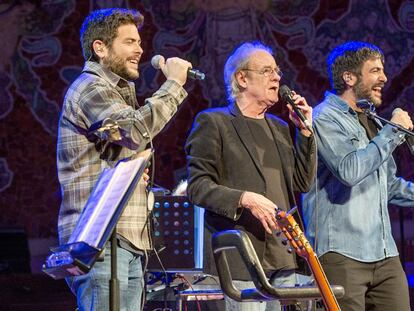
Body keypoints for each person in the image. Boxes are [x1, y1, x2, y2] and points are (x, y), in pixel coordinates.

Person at [57, 8, 192, 310]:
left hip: (128, 240)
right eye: (129, 42)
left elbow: (122, 145)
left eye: (140, 42)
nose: (140, 49)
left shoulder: (117, 94)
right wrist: (173, 85)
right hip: (102, 243)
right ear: (100, 48)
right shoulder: (89, 87)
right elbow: (134, 129)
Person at [185, 41, 316, 311]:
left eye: (277, 71)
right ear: (241, 78)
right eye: (267, 70)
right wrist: (244, 198)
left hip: (283, 256)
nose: (277, 77)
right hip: (240, 258)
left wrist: (305, 133)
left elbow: (302, 183)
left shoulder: (279, 128)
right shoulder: (214, 122)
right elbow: (198, 187)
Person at [302, 41, 414, 310]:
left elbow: (389, 186)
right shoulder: (324, 117)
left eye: (383, 70)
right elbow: (349, 171)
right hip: (341, 254)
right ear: (349, 77)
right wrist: (394, 132)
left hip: (385, 253)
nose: (384, 78)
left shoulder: (374, 122)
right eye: (375, 70)